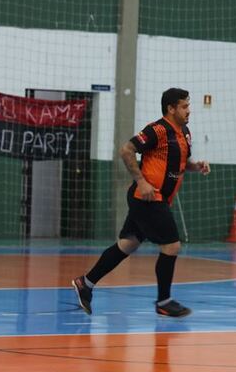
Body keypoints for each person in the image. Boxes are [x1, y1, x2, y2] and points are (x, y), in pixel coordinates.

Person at [72, 88, 210, 318]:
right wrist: (142, 181)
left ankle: (86, 283)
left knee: (128, 244)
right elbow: (126, 150)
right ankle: (164, 301)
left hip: (157, 200)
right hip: (148, 198)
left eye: (188, 105)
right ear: (171, 108)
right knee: (172, 245)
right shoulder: (157, 130)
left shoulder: (184, 132)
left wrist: (196, 166)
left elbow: (182, 162)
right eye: (184, 106)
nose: (189, 110)